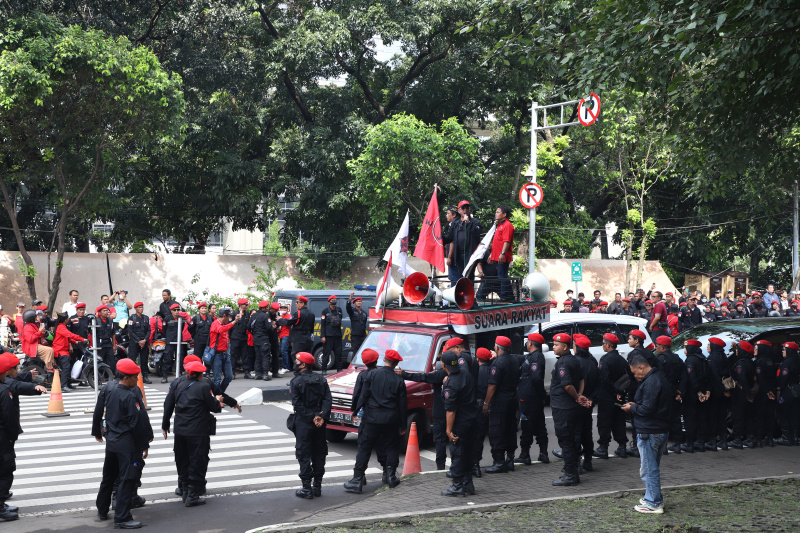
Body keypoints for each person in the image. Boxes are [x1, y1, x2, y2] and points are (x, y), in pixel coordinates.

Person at [93, 358, 150, 529]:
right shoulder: (130, 396)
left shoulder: (110, 390)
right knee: (127, 479)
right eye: (134, 377)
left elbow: (99, 411)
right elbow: (137, 423)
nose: (136, 380)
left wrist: (96, 430)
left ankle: (102, 509)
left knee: (108, 477)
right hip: (127, 445)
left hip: (112, 442)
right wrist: (143, 445)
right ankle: (122, 517)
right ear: (126, 378)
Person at [343, 349, 407, 494]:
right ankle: (390, 476)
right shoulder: (398, 380)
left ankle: (357, 479)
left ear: (384, 360)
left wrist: (355, 411)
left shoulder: (371, 375)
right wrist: (403, 425)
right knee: (391, 446)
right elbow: (403, 404)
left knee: (365, 447)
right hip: (391, 418)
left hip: (372, 417)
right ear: (396, 363)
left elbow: (363, 395)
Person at [162, 360, 222, 507]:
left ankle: (184, 491)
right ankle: (193, 495)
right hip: (197, 431)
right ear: (200, 375)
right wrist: (218, 400)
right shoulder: (204, 387)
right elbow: (214, 407)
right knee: (197, 461)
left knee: (182, 459)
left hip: (180, 430)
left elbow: (168, 404)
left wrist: (165, 424)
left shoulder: (177, 385)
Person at [621, 354, 672, 514]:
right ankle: (652, 495)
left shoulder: (651, 382)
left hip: (650, 431)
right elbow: (652, 405)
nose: (634, 375)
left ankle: (654, 502)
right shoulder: (659, 378)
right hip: (658, 429)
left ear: (641, 367)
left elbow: (647, 409)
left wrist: (632, 408)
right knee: (651, 467)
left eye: (635, 371)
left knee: (648, 469)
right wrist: (637, 405)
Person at [0, 352, 45, 520]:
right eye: (14, 368)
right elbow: (8, 416)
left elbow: (16, 381)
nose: (16, 371)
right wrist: (12, 436)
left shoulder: (5, 383)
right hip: (3, 436)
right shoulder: (4, 389)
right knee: (6, 468)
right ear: (6, 371)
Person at [290, 351, 332, 499]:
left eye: (297, 362)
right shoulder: (321, 380)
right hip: (319, 423)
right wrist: (321, 416)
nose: (295, 364)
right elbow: (328, 400)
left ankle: (307, 489)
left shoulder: (296, 382)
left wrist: (312, 417)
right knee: (319, 453)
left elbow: (298, 405)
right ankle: (317, 487)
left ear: (303, 365)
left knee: (304, 454)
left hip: (304, 423)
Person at [549, 333, 589, 486]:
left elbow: (567, 385)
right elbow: (581, 379)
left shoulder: (563, 362)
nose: (553, 346)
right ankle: (570, 470)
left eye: (556, 344)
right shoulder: (574, 360)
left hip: (563, 407)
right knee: (570, 441)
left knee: (566, 442)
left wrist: (576, 397)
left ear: (565, 347)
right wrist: (579, 394)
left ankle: (570, 474)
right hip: (568, 406)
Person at [440, 350, 478, 497]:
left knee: (458, 453)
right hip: (472, 420)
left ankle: (457, 485)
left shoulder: (451, 383)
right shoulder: (465, 374)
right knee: (468, 452)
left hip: (460, 422)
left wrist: (449, 431)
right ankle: (468, 483)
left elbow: (451, 411)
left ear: (444, 364)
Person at [482, 336, 520, 473]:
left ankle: (499, 462)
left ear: (497, 347)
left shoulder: (497, 364)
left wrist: (486, 403)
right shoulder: (514, 360)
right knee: (510, 429)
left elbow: (492, 386)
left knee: (496, 430)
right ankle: (510, 460)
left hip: (500, 402)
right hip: (512, 400)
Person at [352, 349, 385, 484]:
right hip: (383, 415)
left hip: (368, 416)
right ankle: (388, 474)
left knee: (363, 446)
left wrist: (354, 410)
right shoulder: (383, 374)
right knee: (383, 445)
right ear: (377, 360)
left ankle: (359, 477)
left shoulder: (363, 376)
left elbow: (358, 395)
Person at [515, 333, 548, 465]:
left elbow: (536, 378)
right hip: (531, 397)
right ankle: (542, 453)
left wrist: (541, 395)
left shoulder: (537, 357)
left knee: (528, 425)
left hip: (530, 398)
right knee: (538, 424)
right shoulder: (531, 357)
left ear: (531, 343)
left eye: (528, 341)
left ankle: (526, 454)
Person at [594, 333, 630, 459]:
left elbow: (604, 379)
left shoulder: (605, 359)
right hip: (619, 396)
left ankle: (603, 447)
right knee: (619, 421)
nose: (603, 346)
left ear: (609, 345)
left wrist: (615, 391)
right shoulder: (622, 360)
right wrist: (620, 391)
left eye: (604, 343)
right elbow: (628, 377)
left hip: (607, 397)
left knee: (604, 421)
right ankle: (622, 447)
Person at [655, 337, 687, 454]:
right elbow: (684, 376)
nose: (656, 348)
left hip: (665, 393)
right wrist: (680, 391)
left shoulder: (660, 359)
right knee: (675, 419)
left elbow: (662, 378)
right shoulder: (677, 358)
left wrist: (673, 391)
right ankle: (677, 444)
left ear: (662, 348)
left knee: (662, 420)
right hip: (676, 393)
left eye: (657, 346)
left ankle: (662, 446)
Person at [573, 335, 599, 473]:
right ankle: (588, 460)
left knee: (576, 433)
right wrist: (591, 400)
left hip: (577, 403)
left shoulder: (574, 363)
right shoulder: (593, 363)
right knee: (586, 432)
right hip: (588, 403)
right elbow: (598, 386)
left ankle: (576, 463)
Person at [681, 339, 711, 453]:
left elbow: (691, 377)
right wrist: (706, 391)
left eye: (685, 348)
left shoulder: (691, 360)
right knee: (701, 418)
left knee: (690, 419)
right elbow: (709, 376)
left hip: (693, 394)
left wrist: (698, 392)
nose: (684, 350)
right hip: (703, 393)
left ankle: (689, 443)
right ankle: (700, 442)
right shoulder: (703, 359)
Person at [730, 339, 758, 449]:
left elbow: (742, 379)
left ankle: (737, 440)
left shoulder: (741, 364)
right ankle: (749, 438)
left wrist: (747, 395)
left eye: (738, 349)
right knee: (748, 417)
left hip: (740, 394)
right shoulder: (750, 362)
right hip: (748, 393)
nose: (736, 351)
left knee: (738, 417)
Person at [446, 200, 482, 284]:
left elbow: (477, 233)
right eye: (463, 208)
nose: (465, 210)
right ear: (459, 210)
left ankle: (469, 295)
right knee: (459, 277)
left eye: (467, 208)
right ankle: (460, 296)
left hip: (470, 255)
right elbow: (450, 238)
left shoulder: (475, 222)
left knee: (468, 277)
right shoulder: (455, 223)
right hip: (458, 255)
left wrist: (468, 222)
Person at [705, 337, 730, 451]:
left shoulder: (712, 358)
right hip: (724, 391)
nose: (708, 347)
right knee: (722, 417)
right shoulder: (723, 356)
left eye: (709, 345)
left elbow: (713, 376)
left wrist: (719, 389)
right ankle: (723, 441)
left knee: (712, 416)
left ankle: (712, 441)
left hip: (715, 391)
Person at [472, 347, 493, 476]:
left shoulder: (476, 371)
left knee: (478, 437)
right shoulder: (492, 370)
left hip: (479, 407)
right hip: (492, 406)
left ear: (478, 358)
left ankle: (475, 465)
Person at [751, 341, 777, 446]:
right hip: (772, 391)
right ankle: (769, 438)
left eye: (756, 348)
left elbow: (760, 379)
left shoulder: (759, 362)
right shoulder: (770, 361)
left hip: (762, 392)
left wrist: (766, 391)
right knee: (770, 415)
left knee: (760, 415)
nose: (754, 350)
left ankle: (758, 438)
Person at [52, 313, 86, 392]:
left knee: (68, 367)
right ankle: (64, 385)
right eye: (67, 319)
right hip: (60, 351)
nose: (69, 320)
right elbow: (70, 335)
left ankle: (67, 383)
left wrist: (76, 342)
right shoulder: (61, 327)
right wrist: (82, 339)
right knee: (66, 368)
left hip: (63, 350)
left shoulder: (62, 326)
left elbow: (67, 338)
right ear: (65, 320)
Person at [487, 205, 514, 302]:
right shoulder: (499, 225)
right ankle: (510, 296)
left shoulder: (507, 225)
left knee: (502, 276)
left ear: (504, 214)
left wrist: (502, 253)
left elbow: (506, 241)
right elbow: (496, 242)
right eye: (496, 212)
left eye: (498, 212)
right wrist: (491, 254)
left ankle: (505, 297)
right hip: (497, 255)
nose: (496, 214)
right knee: (502, 275)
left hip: (503, 256)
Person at [209, 309, 240, 392]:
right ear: (224, 316)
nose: (229, 318)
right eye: (228, 316)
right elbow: (221, 330)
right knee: (217, 379)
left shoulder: (224, 323)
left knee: (229, 376)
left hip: (225, 353)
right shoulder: (215, 323)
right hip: (217, 354)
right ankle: (216, 397)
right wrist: (234, 322)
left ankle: (220, 395)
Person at [775, 341, 800, 446]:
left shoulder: (787, 362)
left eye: (784, 349)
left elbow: (783, 377)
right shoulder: (797, 361)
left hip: (788, 390)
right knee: (795, 414)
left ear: (789, 350)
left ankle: (786, 438)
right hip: (796, 390)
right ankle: (796, 437)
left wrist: (779, 386)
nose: (782, 351)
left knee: (784, 414)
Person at [161, 304, 189, 383]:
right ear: (171, 311)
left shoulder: (181, 318)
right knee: (168, 358)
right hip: (170, 341)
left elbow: (182, 327)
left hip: (179, 340)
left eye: (178, 310)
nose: (176, 311)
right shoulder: (167, 319)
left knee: (180, 358)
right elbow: (164, 329)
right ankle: (165, 375)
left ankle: (179, 374)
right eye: (174, 310)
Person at [249, 301, 275, 381]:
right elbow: (269, 328)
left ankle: (257, 374)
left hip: (256, 338)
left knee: (258, 356)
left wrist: (254, 333)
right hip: (264, 338)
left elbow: (248, 326)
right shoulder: (265, 316)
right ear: (263, 308)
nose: (268, 309)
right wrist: (273, 326)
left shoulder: (254, 316)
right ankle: (265, 374)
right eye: (267, 307)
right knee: (265, 356)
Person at [127, 303, 151, 384]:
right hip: (134, 342)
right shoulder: (131, 318)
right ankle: (130, 376)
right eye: (139, 307)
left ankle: (145, 376)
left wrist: (144, 340)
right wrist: (138, 341)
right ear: (135, 308)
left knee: (144, 360)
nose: (141, 309)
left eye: (142, 307)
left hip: (144, 342)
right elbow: (130, 331)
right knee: (132, 360)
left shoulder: (146, 318)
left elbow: (149, 331)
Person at [320, 295, 344, 374]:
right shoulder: (325, 311)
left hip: (337, 335)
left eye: (335, 299)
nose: (334, 301)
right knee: (326, 353)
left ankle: (339, 370)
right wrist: (323, 336)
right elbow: (322, 324)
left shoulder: (339, 310)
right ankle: (324, 369)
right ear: (329, 301)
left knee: (338, 353)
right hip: (328, 336)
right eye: (332, 300)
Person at [230, 299, 251, 377]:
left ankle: (247, 372)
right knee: (234, 355)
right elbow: (229, 326)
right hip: (235, 336)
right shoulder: (234, 314)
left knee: (245, 355)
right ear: (240, 305)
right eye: (245, 305)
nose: (246, 306)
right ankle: (232, 372)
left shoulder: (247, 314)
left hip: (243, 336)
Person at [95, 305, 116, 372]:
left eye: (107, 310)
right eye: (104, 311)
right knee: (100, 361)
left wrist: (114, 345)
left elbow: (113, 333)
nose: (106, 312)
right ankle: (101, 377)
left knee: (112, 361)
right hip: (100, 345)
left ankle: (111, 376)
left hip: (109, 344)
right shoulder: (96, 321)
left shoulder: (110, 321)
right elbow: (92, 334)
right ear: (100, 313)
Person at [278, 303, 292, 373]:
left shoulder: (289, 316)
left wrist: (280, 320)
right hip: (281, 335)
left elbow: (288, 323)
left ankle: (285, 367)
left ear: (287, 309)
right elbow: (279, 327)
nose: (283, 310)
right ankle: (287, 366)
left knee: (284, 351)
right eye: (282, 308)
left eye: (284, 308)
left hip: (286, 335)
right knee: (284, 351)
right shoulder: (279, 316)